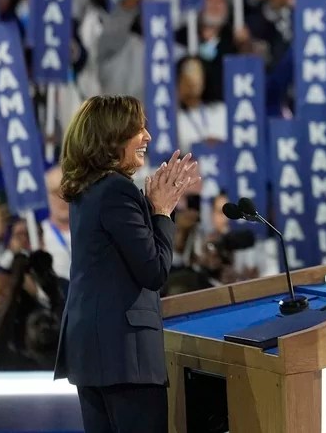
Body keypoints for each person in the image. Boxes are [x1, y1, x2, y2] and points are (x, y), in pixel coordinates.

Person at [53, 96, 200, 433]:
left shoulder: (88, 190)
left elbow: (118, 258)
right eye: (138, 129)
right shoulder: (117, 190)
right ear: (112, 136)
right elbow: (154, 271)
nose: (147, 136)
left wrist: (149, 209)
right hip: (124, 357)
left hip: (92, 352)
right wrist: (161, 212)